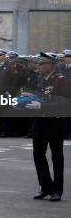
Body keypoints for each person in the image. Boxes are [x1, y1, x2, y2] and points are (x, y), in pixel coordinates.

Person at [25, 52, 68, 202]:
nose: (39, 66)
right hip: (40, 122)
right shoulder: (40, 79)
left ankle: (57, 190)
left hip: (55, 122)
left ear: (50, 65)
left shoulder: (61, 80)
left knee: (56, 157)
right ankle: (45, 186)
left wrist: (42, 105)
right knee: (38, 154)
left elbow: (64, 102)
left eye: (42, 64)